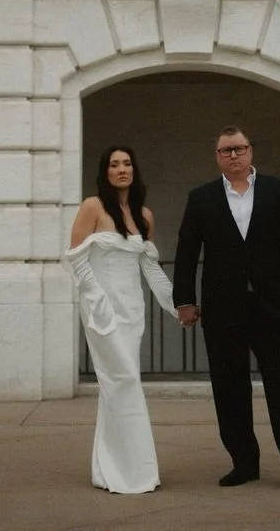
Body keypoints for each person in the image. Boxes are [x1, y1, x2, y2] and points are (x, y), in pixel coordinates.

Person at [173, 125, 280, 494]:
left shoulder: (278, 191)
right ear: (217, 157)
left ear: (250, 152)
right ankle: (244, 463)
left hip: (273, 307)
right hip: (223, 310)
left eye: (239, 149)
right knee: (229, 389)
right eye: (225, 151)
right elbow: (187, 252)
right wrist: (184, 301)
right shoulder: (201, 198)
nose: (233, 156)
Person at [65, 145, 177, 494]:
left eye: (127, 163)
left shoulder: (144, 215)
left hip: (132, 311)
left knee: (118, 387)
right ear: (106, 171)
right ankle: (133, 472)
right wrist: (95, 300)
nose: (121, 169)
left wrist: (178, 306)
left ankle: (109, 469)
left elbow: (149, 267)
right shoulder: (93, 207)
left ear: (134, 169)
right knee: (123, 381)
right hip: (102, 310)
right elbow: (76, 257)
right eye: (114, 164)